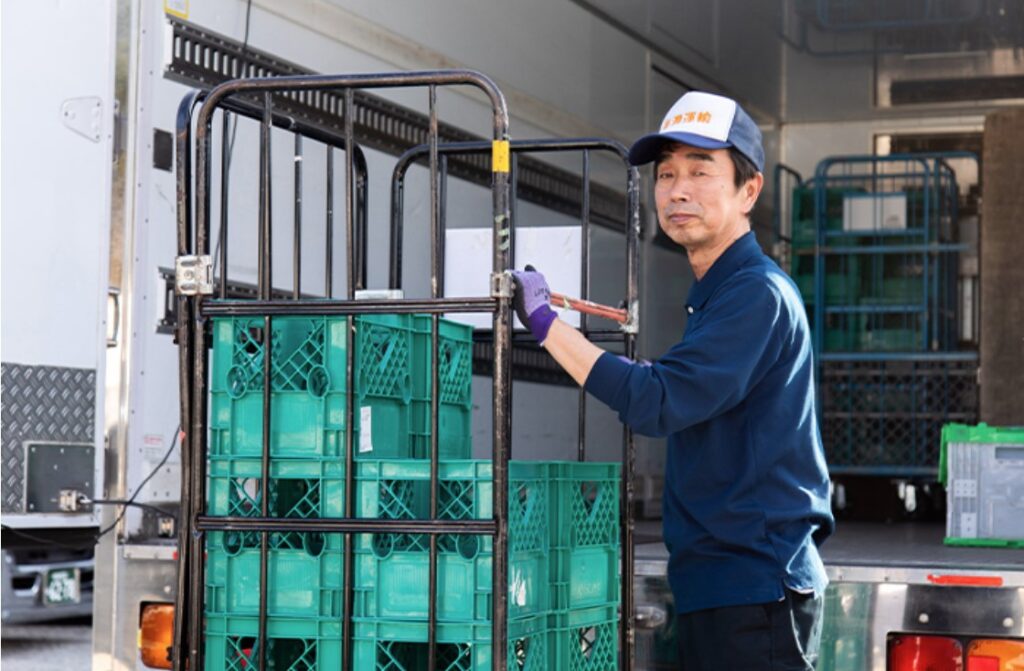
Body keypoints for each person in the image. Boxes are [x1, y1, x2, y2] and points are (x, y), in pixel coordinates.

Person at [511, 90, 834, 671]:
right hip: (726, 585)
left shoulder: (755, 295)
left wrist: (545, 324)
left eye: (701, 171)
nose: (678, 190)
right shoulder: (720, 294)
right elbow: (672, 388)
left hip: (754, 588)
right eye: (666, 174)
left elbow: (657, 402)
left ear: (749, 191)